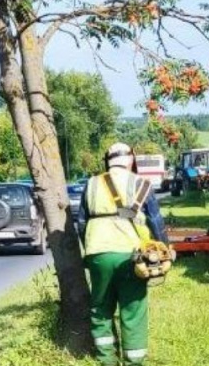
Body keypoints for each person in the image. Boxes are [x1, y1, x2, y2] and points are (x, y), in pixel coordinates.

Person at [76, 142, 169, 366]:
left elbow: (81, 222)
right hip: (132, 256)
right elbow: (155, 221)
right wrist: (165, 250)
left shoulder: (91, 184)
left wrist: (91, 250)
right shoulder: (142, 184)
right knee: (133, 310)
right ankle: (134, 362)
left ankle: (107, 360)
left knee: (100, 308)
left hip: (98, 253)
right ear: (131, 159)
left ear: (107, 161)